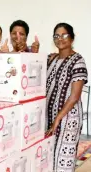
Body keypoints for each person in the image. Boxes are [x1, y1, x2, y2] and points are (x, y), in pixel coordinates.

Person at [45, 23, 88, 172]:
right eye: (56, 36)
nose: (60, 39)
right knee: (48, 159)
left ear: (72, 38)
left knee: (63, 162)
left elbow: (74, 96)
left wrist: (58, 118)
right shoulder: (51, 60)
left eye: (64, 35)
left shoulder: (78, 60)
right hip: (49, 117)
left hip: (68, 119)